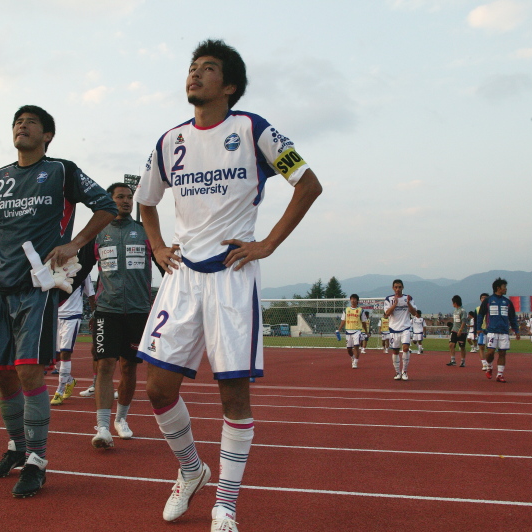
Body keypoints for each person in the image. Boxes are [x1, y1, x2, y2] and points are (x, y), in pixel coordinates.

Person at [134, 39, 322, 532]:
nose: (195, 74)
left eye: (208, 68)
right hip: (181, 277)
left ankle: (226, 505)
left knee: (234, 395)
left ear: (230, 86)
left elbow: (308, 184)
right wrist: (158, 246)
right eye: (192, 67)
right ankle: (191, 470)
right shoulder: (169, 141)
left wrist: (268, 244)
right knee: (156, 389)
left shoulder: (252, 129)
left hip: (233, 277)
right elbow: (146, 202)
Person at [0, 105, 117, 498]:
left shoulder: (61, 171)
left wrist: (76, 243)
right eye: (17, 122)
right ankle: (16, 447)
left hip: (36, 289)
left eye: (31, 122)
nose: (22, 126)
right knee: (2, 372)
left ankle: (37, 461)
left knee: (29, 372)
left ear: (48, 135)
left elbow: (106, 206)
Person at [89, 182, 155, 448]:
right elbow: (80, 268)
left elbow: (165, 263)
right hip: (107, 310)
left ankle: (121, 419)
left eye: (129, 197)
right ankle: (103, 427)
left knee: (129, 367)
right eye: (120, 197)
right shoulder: (97, 233)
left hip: (139, 311)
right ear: (109, 200)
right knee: (105, 365)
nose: (126, 201)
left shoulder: (145, 231)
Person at [50, 255, 96, 406]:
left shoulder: (82, 272)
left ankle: (60, 390)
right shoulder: (54, 269)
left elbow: (91, 295)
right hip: (55, 316)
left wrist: (94, 315)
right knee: (55, 356)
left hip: (72, 315)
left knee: (65, 353)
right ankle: (69, 381)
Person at [476, 278, 520, 383]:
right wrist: (478, 328)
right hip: (492, 331)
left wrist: (516, 330)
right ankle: (489, 366)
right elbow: (481, 314)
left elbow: (512, 317)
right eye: (504, 287)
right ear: (498, 288)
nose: (506, 289)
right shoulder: (488, 300)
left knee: (502, 353)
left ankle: (500, 374)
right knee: (490, 352)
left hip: (504, 332)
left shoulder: (508, 302)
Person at [383, 279, 418, 381]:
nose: (397, 289)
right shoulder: (389, 299)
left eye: (399, 287)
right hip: (394, 329)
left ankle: (405, 371)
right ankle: (397, 372)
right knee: (395, 351)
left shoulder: (408, 298)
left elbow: (414, 313)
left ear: (403, 287)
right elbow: (387, 314)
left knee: (406, 348)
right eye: (396, 287)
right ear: (393, 288)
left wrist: (408, 303)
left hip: (405, 327)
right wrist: (395, 304)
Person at [336, 294, 369, 368]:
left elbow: (363, 322)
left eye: (354, 299)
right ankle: (352, 357)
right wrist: (339, 329)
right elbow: (343, 320)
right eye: (352, 299)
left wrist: (366, 332)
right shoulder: (346, 310)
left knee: (356, 346)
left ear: (357, 300)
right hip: (348, 331)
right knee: (349, 349)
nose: (353, 300)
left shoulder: (360, 310)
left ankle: (355, 362)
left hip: (357, 331)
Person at [446, 295, 467, 367]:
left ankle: (463, 361)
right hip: (454, 330)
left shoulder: (463, 311)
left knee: (462, 347)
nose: (452, 304)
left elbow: (464, 321)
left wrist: (460, 330)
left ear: (455, 303)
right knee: (451, 344)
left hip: (462, 331)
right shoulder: (455, 311)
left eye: (453, 302)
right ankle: (453, 360)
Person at [475, 293, 490, 372]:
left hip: (490, 331)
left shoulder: (491, 308)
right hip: (481, 330)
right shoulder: (477, 309)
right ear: (480, 299)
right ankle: (484, 363)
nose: (484, 299)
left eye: (485, 298)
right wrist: (476, 330)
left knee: (490, 348)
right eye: (482, 298)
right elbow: (476, 320)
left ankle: (489, 363)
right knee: (481, 346)